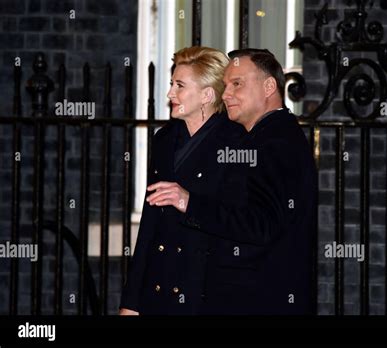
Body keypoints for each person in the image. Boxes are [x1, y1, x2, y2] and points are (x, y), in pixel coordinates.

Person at [149, 48, 317, 315]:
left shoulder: (276, 141)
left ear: (269, 86)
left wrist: (189, 202)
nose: (226, 94)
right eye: (225, 85)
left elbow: (262, 225)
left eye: (237, 84)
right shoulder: (263, 137)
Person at [119, 46, 245, 315]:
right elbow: (149, 225)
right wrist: (131, 302)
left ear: (207, 95)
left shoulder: (236, 142)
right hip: (159, 287)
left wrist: (189, 201)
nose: (169, 94)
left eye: (179, 86)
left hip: (205, 290)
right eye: (171, 84)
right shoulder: (164, 140)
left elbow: (240, 222)